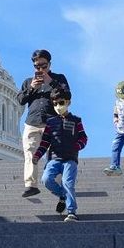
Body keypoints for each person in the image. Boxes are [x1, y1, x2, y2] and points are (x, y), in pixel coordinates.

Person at [16, 49, 70, 198]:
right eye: (37, 66)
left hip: (52, 123)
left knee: (55, 155)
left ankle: (58, 185)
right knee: (30, 154)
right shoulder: (28, 82)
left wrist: (50, 82)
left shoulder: (59, 79)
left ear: (49, 64)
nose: (40, 69)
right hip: (32, 122)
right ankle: (31, 185)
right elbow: (20, 99)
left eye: (43, 66)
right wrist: (32, 87)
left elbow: (67, 95)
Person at [32, 88, 88, 222]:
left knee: (68, 182)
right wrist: (37, 155)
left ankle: (71, 211)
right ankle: (63, 195)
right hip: (54, 158)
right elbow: (45, 142)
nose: (58, 106)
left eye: (61, 102)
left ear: (68, 102)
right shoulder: (51, 123)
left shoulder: (76, 120)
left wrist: (76, 147)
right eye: (55, 103)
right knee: (46, 179)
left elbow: (83, 138)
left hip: (70, 159)